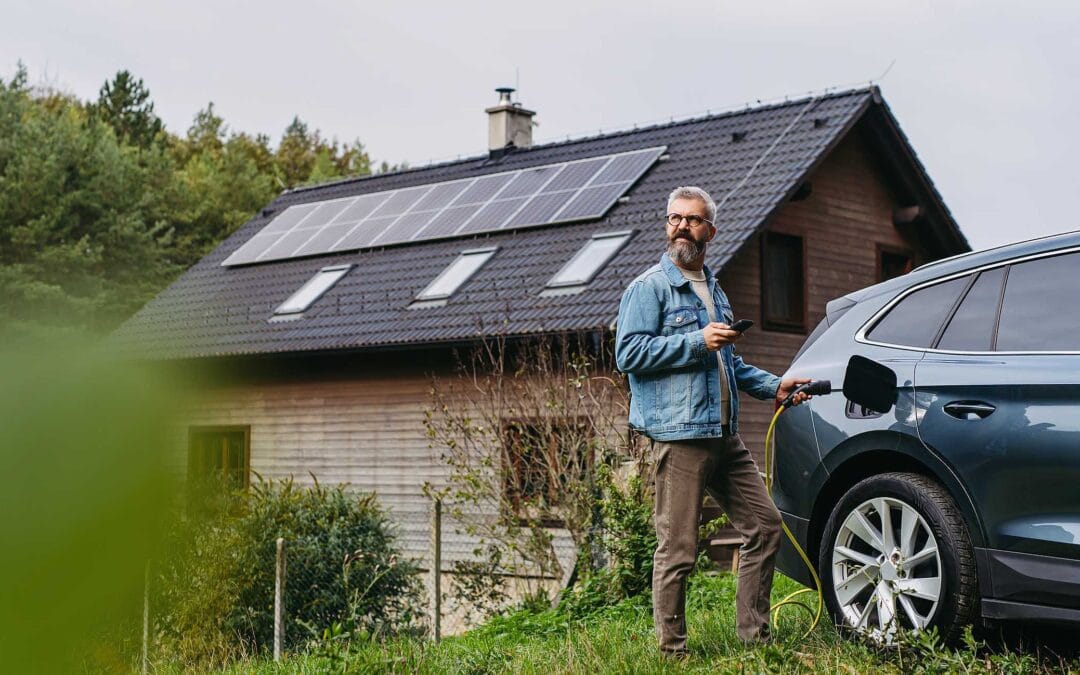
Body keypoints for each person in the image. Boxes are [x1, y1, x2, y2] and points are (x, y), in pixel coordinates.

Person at [614, 186, 812, 656]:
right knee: (678, 549)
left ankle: (754, 638)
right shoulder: (649, 288)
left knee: (764, 529)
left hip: (725, 435)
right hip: (680, 438)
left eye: (692, 219)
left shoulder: (714, 288)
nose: (681, 226)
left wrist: (776, 385)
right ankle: (672, 652)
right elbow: (628, 354)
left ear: (710, 231)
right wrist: (696, 342)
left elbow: (731, 364)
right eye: (674, 218)